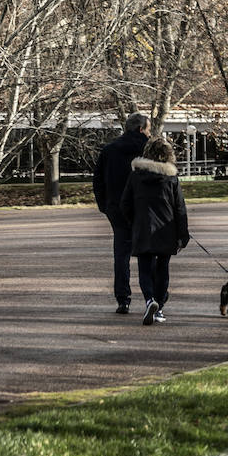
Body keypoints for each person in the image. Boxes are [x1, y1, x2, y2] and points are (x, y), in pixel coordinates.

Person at [118, 138, 189, 326]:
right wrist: (183, 234)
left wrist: (135, 221)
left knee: (145, 268)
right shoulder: (171, 178)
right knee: (162, 269)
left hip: (143, 228)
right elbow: (179, 208)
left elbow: (125, 204)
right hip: (167, 229)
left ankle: (150, 300)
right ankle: (160, 307)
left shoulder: (136, 176)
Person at [93, 113, 149, 314]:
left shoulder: (109, 150)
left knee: (121, 254)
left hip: (116, 208)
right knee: (146, 253)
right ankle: (150, 297)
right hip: (142, 208)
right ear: (141, 129)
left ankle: (123, 299)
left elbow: (98, 179)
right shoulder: (147, 148)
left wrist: (105, 205)